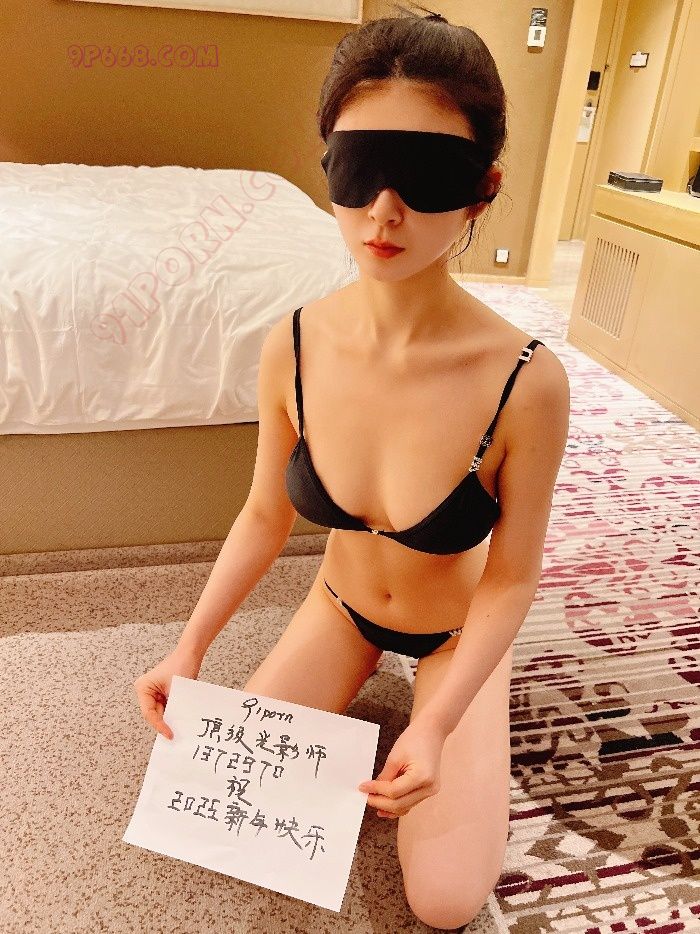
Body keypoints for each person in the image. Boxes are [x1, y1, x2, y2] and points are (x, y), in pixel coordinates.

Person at [134, 4, 570, 929]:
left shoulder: (527, 382)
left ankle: (455, 705)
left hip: (457, 632)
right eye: (360, 170)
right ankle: (365, 671)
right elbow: (265, 513)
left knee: (444, 902)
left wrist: (437, 724)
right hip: (339, 605)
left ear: (482, 189)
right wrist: (190, 646)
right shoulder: (292, 344)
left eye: (426, 176)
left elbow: (514, 574)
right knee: (212, 797)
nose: (384, 212)